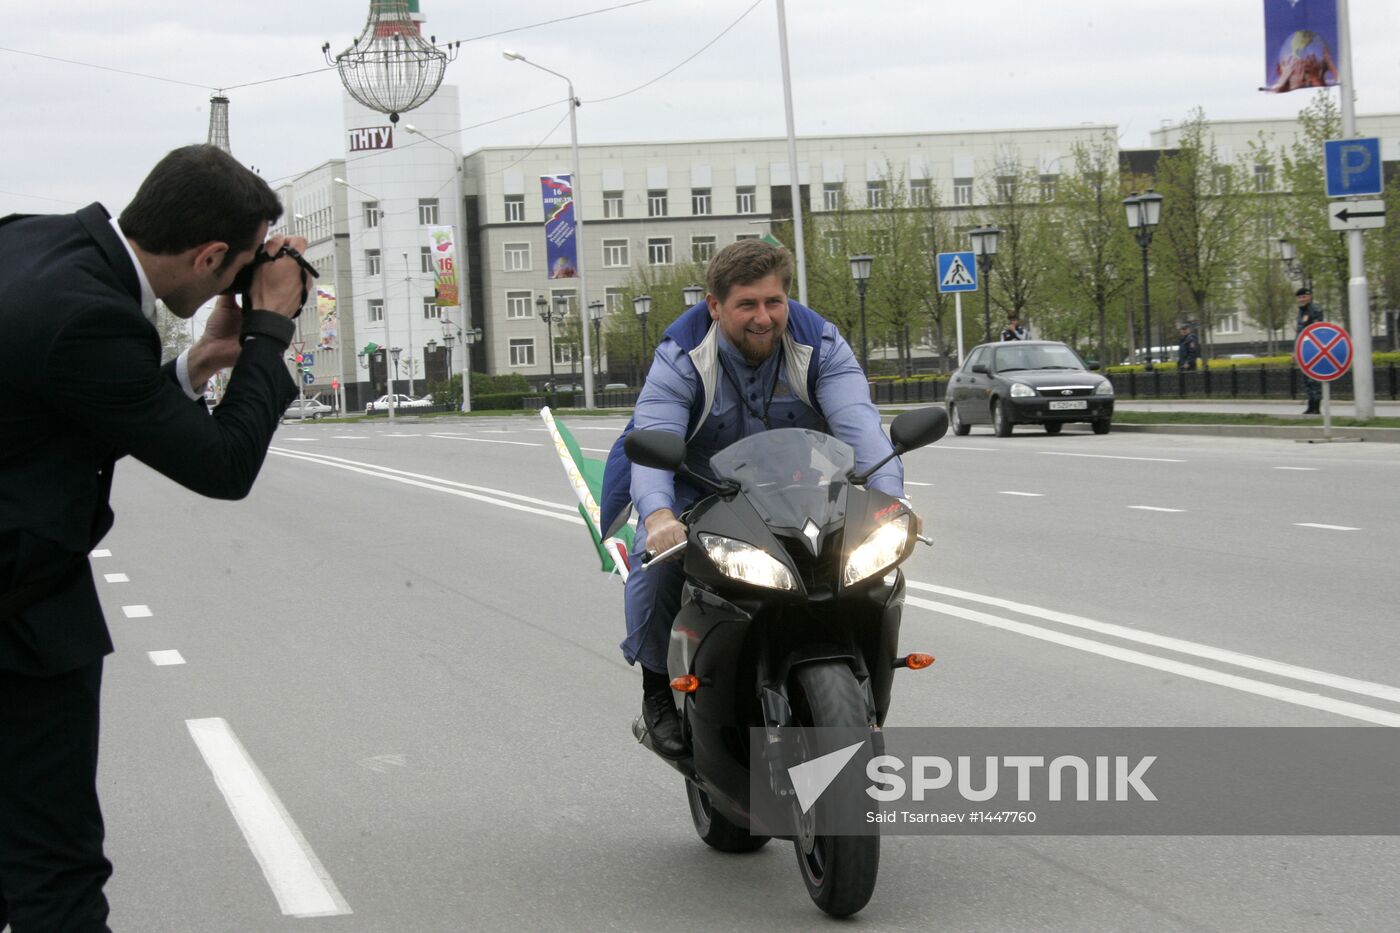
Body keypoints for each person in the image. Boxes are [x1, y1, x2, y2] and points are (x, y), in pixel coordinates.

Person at [0, 145, 306, 930]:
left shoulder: (30, 240)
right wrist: (269, 331)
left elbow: (60, 404)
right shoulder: (92, 318)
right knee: (53, 875)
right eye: (233, 269)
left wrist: (200, 361)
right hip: (19, 624)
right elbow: (224, 464)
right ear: (209, 256)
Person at [599, 240, 914, 758]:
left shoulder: (822, 346)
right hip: (694, 483)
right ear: (715, 305)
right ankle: (656, 689)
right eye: (747, 304)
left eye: (774, 302)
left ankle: (858, 683)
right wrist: (657, 515)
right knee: (654, 566)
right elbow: (655, 438)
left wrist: (890, 503)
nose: (764, 317)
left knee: (868, 559)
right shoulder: (682, 356)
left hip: (789, 483)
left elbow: (863, 429)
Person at [1295, 287, 1324, 414]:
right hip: (1303, 349)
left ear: (1310, 297)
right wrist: (1296, 350)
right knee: (1307, 379)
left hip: (1313, 348)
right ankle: (1310, 406)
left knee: (1314, 379)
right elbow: (1299, 333)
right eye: (1300, 297)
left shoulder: (1315, 310)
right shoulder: (1301, 312)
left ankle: (1316, 407)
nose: (1302, 299)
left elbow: (1316, 330)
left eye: (1304, 297)